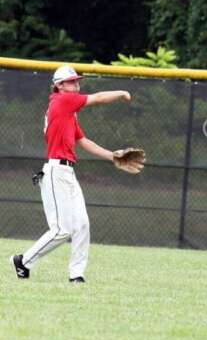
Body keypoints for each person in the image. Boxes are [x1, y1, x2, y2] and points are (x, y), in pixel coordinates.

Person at [10, 65, 132, 283]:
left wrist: (112, 156)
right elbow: (99, 97)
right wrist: (121, 92)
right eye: (71, 81)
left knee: (82, 225)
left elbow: (83, 141)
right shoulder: (62, 101)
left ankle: (76, 274)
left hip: (67, 172)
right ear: (59, 86)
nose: (76, 84)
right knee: (61, 230)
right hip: (56, 172)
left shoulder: (68, 111)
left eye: (77, 81)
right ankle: (23, 261)